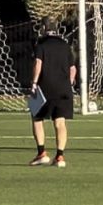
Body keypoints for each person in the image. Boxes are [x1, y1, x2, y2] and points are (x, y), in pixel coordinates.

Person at [28, 19, 77, 167]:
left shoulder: (41, 45)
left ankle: (41, 153)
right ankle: (60, 156)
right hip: (64, 88)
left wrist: (34, 83)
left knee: (37, 118)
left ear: (43, 28)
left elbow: (38, 63)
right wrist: (68, 83)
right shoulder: (65, 45)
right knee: (60, 122)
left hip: (45, 87)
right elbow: (72, 68)